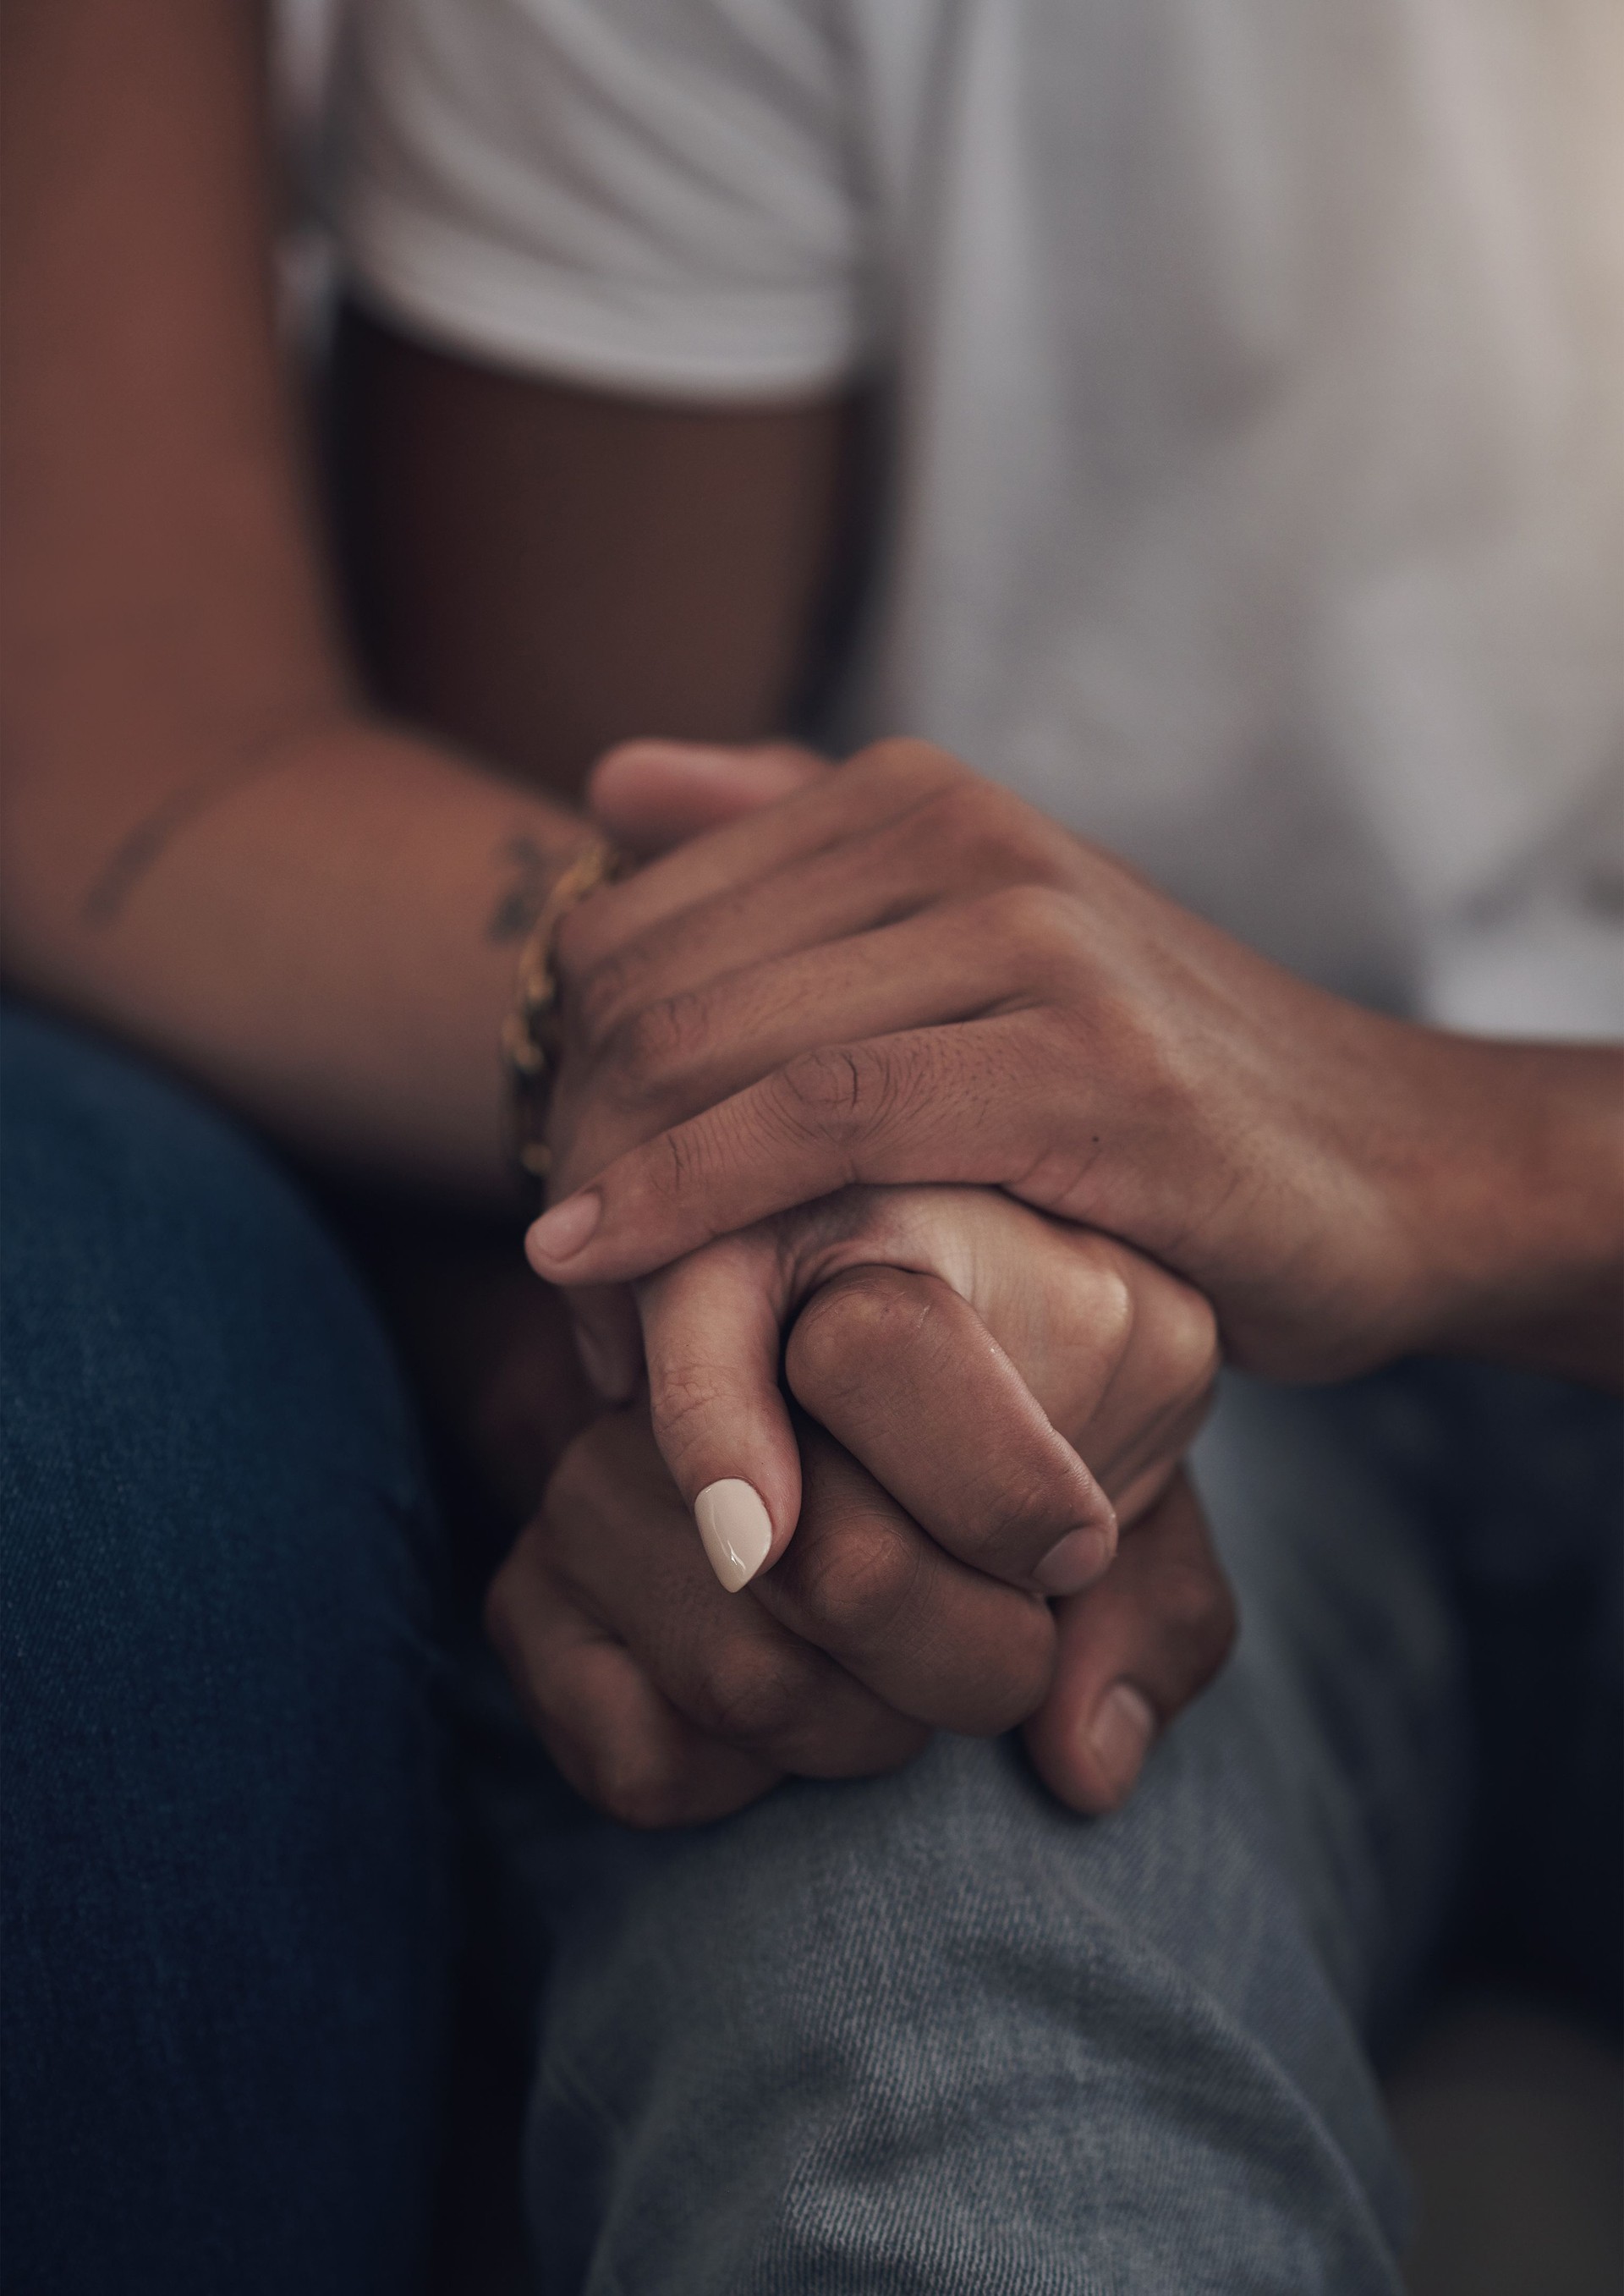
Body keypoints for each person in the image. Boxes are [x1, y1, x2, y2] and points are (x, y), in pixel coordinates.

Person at [2, 4, 1618, 2294]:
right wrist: (771, 1348)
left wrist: (1433, 1158)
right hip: (1059, 1322)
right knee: (899, 1892)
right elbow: (552, 940)